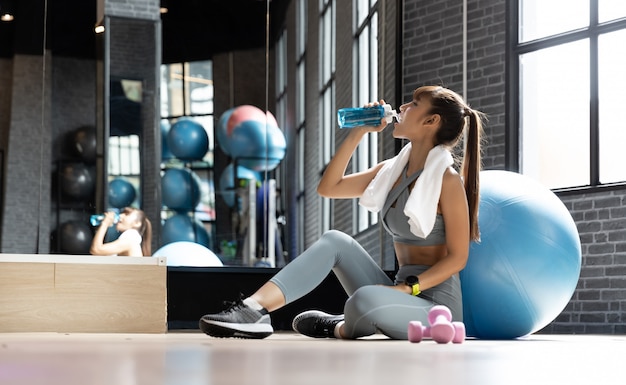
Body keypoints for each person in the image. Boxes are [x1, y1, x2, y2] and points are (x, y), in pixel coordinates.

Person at [199, 85, 483, 340]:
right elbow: (329, 187)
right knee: (336, 240)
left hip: (433, 307)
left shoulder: (447, 180)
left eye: (413, 104)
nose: (403, 108)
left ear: (431, 121)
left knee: (364, 300)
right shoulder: (391, 171)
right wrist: (358, 131)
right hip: (395, 291)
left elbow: (458, 257)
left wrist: (409, 290)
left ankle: (337, 327)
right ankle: (253, 309)